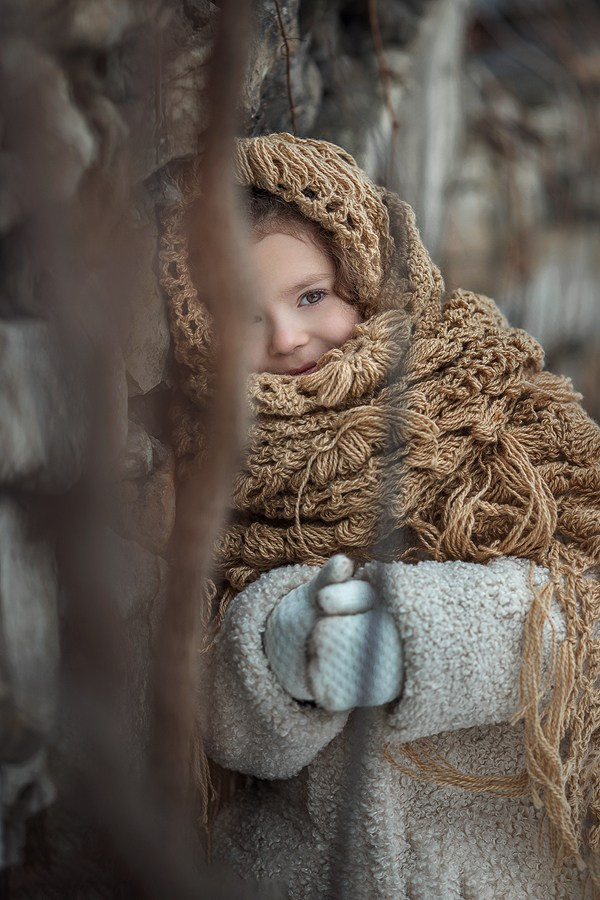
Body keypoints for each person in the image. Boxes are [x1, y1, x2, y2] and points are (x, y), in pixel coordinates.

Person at [160, 133, 600, 898]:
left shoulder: (499, 409)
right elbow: (206, 726)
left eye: (310, 296)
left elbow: (586, 599)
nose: (290, 339)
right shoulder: (197, 470)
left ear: (366, 275)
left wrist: (414, 637)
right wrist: (278, 644)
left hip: (499, 872)